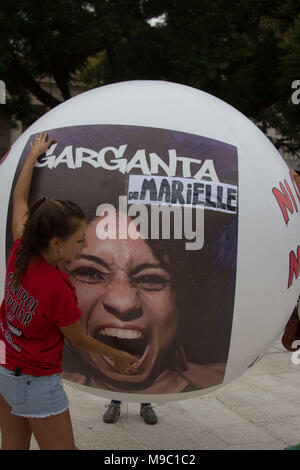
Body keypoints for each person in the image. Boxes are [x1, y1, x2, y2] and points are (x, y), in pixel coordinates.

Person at [0, 133, 137, 450]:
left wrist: (33, 156)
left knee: (11, 446)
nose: (85, 245)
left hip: (6, 368)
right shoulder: (58, 288)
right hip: (36, 381)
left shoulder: (21, 250)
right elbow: (77, 338)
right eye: (79, 240)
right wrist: (118, 355)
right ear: (56, 244)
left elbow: (20, 202)